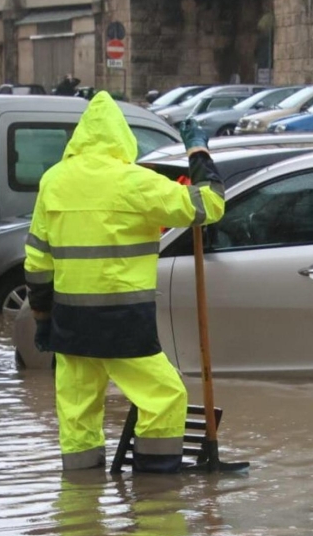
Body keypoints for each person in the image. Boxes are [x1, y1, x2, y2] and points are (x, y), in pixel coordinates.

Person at [24, 92, 226, 473]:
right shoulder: (134, 182)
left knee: (77, 417)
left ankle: (79, 514)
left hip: (71, 324)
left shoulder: (53, 181)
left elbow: (37, 260)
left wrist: (42, 318)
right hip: (123, 321)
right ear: (122, 138)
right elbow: (209, 205)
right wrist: (198, 151)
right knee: (165, 398)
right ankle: (155, 498)